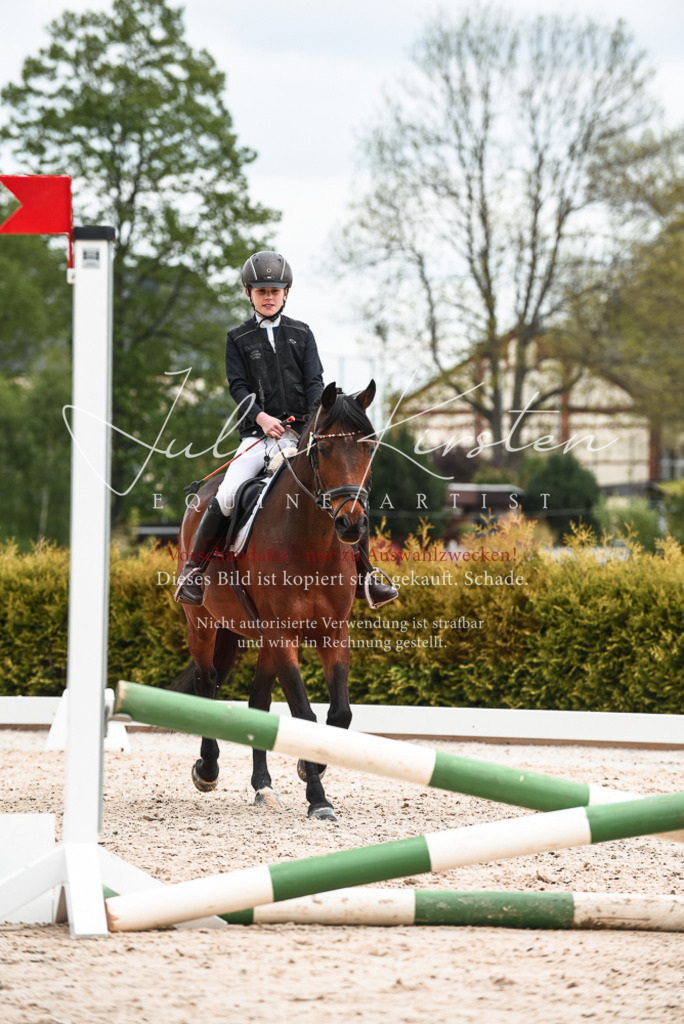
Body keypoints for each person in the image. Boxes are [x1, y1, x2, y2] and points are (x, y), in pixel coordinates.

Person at [174, 251, 398, 609]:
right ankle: (194, 573)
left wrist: (312, 423)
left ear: (286, 293)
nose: (268, 296)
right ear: (248, 293)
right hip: (256, 437)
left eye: (275, 290)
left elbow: (315, 384)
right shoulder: (237, 338)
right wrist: (262, 418)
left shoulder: (302, 333)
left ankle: (365, 574)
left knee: (347, 492)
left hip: (301, 439)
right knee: (228, 492)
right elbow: (238, 388)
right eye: (261, 290)